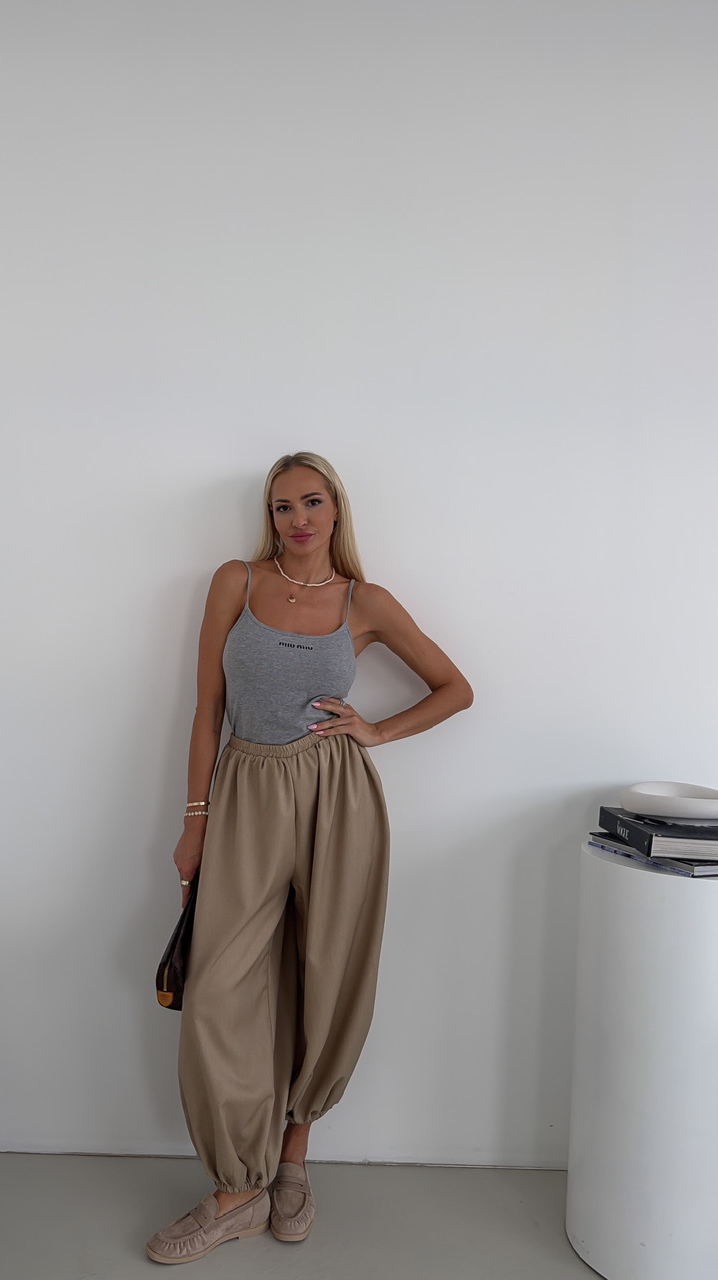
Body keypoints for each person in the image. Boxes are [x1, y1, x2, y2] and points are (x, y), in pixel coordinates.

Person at [146, 452, 473, 1265]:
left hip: (337, 796)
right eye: (283, 505)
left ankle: (292, 1158)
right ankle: (237, 1190)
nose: (298, 518)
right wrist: (195, 819)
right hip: (246, 792)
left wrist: (377, 730)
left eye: (313, 502)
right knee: (219, 987)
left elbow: (455, 687)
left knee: (324, 974)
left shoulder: (367, 602)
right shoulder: (236, 582)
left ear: (336, 509)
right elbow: (208, 710)